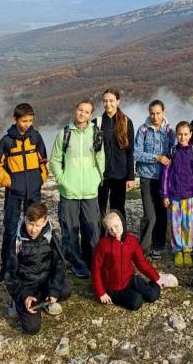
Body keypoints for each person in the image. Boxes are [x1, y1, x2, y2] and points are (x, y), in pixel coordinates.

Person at [0, 102, 48, 283]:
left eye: (30, 120)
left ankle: (34, 266)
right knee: (10, 229)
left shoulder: (36, 138)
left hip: (33, 192)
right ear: (15, 119)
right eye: (24, 121)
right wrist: (10, 183)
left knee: (35, 228)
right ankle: (6, 269)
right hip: (14, 193)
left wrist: (40, 179)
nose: (27, 124)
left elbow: (43, 161)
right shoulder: (7, 141)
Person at [49, 99, 105, 278]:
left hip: (90, 190)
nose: (82, 114)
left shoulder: (96, 133)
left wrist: (97, 179)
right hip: (69, 190)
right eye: (80, 110)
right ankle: (77, 264)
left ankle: (92, 262)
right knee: (70, 229)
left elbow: (101, 159)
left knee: (92, 228)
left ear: (91, 115)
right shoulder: (64, 134)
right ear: (76, 110)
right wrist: (62, 180)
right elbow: (55, 160)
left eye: (87, 112)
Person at [5, 202, 71, 335]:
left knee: (65, 290)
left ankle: (46, 301)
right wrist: (24, 296)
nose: (33, 230)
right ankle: (17, 303)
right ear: (25, 219)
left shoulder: (50, 236)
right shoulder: (16, 241)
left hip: (45, 283)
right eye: (30, 224)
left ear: (45, 222)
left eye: (38, 225)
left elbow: (59, 264)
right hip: (27, 288)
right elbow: (10, 276)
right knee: (32, 328)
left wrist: (54, 289)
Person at [91, 209, 162, 310]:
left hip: (130, 279)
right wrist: (101, 292)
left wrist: (156, 277)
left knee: (153, 295)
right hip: (113, 287)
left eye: (116, 226)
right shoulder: (103, 245)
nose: (114, 231)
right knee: (136, 302)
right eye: (110, 229)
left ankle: (153, 283)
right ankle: (132, 293)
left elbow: (141, 262)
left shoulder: (131, 241)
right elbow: (95, 269)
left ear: (122, 222)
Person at [133, 99, 176, 257]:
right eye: (152, 113)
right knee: (149, 214)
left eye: (158, 113)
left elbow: (174, 152)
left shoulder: (170, 132)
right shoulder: (143, 130)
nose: (155, 116)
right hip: (146, 176)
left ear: (163, 112)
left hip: (163, 178)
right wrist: (156, 158)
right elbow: (137, 153)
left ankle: (159, 244)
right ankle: (144, 247)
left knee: (162, 211)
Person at [161, 121, 193, 267]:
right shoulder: (172, 152)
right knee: (175, 224)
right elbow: (166, 174)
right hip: (174, 195)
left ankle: (187, 249)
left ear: (191, 135)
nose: (183, 137)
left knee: (188, 224)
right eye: (180, 134)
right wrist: (165, 194)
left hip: (190, 195)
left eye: (186, 134)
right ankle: (178, 250)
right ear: (176, 135)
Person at [98, 88, 135, 221]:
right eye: (105, 101)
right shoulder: (97, 123)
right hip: (101, 174)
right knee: (99, 208)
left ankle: (120, 233)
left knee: (118, 208)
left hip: (120, 173)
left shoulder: (126, 122)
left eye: (111, 101)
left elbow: (130, 151)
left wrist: (130, 177)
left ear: (118, 101)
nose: (108, 104)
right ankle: (100, 234)